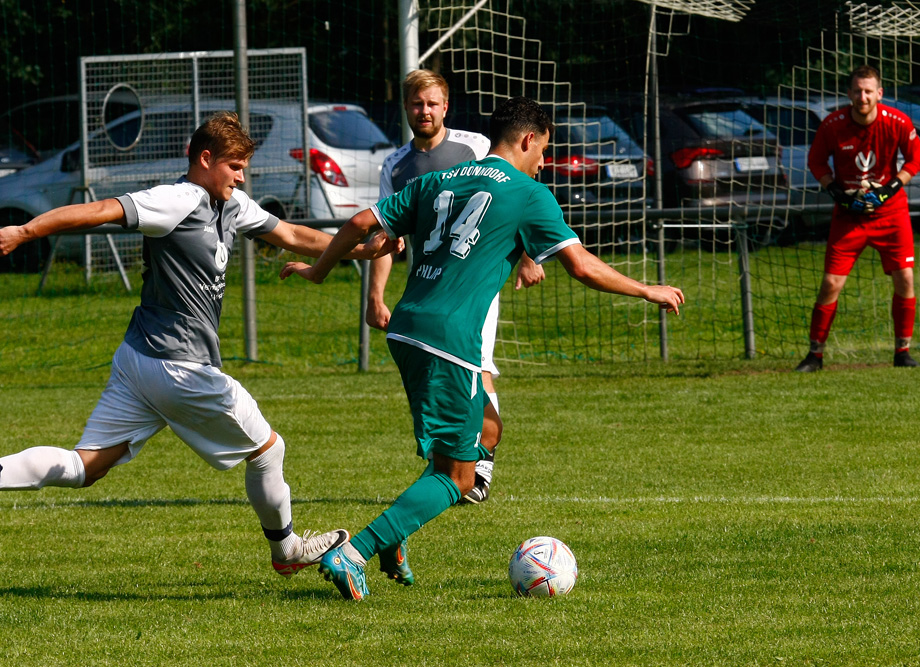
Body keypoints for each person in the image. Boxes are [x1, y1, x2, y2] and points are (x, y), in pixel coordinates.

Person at [0, 111, 402, 578]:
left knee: (84, 466)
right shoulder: (177, 198)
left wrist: (360, 249)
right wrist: (25, 231)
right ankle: (288, 549)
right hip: (178, 366)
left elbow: (293, 234)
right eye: (234, 167)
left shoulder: (231, 205)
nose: (241, 177)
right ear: (205, 158)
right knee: (268, 450)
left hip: (139, 361)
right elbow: (99, 211)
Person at [281, 96, 684, 600]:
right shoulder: (528, 193)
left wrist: (320, 270)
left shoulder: (435, 180)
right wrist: (648, 289)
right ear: (528, 139)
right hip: (450, 340)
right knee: (458, 476)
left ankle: (395, 535)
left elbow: (364, 224)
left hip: (407, 328)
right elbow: (582, 267)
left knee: (488, 428)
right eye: (544, 151)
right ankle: (356, 549)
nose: (543, 163)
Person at [370, 69, 545, 504]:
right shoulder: (394, 166)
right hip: (428, 288)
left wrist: (528, 256)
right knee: (453, 377)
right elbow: (385, 238)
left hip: (473, 287)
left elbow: (520, 193)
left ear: (446, 107)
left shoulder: (476, 147)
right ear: (406, 108)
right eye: (416, 103)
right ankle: (455, 462)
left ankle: (477, 466)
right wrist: (376, 295)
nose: (424, 111)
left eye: (432, 103)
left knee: (479, 368)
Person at [795, 64, 919, 372]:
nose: (862, 97)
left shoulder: (898, 121)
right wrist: (837, 192)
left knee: (905, 278)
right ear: (849, 94)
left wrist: (890, 188)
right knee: (830, 283)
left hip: (891, 214)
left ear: (879, 93)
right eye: (857, 91)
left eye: (868, 91)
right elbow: (815, 161)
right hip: (849, 216)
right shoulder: (832, 124)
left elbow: (915, 159)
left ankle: (902, 351)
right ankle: (815, 355)